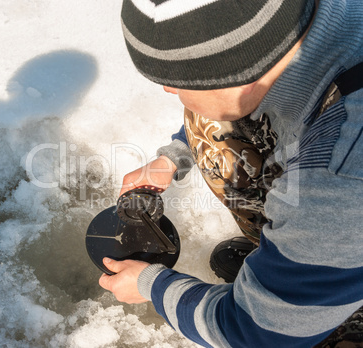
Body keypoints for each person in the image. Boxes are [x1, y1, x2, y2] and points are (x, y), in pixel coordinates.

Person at [99, 0, 363, 346]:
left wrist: (152, 284)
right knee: (207, 117)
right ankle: (302, 267)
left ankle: (331, 302)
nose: (167, 90)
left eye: (176, 81)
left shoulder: (338, 179)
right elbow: (222, 101)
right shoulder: (311, 18)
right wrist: (173, 158)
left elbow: (255, 336)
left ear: (240, 71)